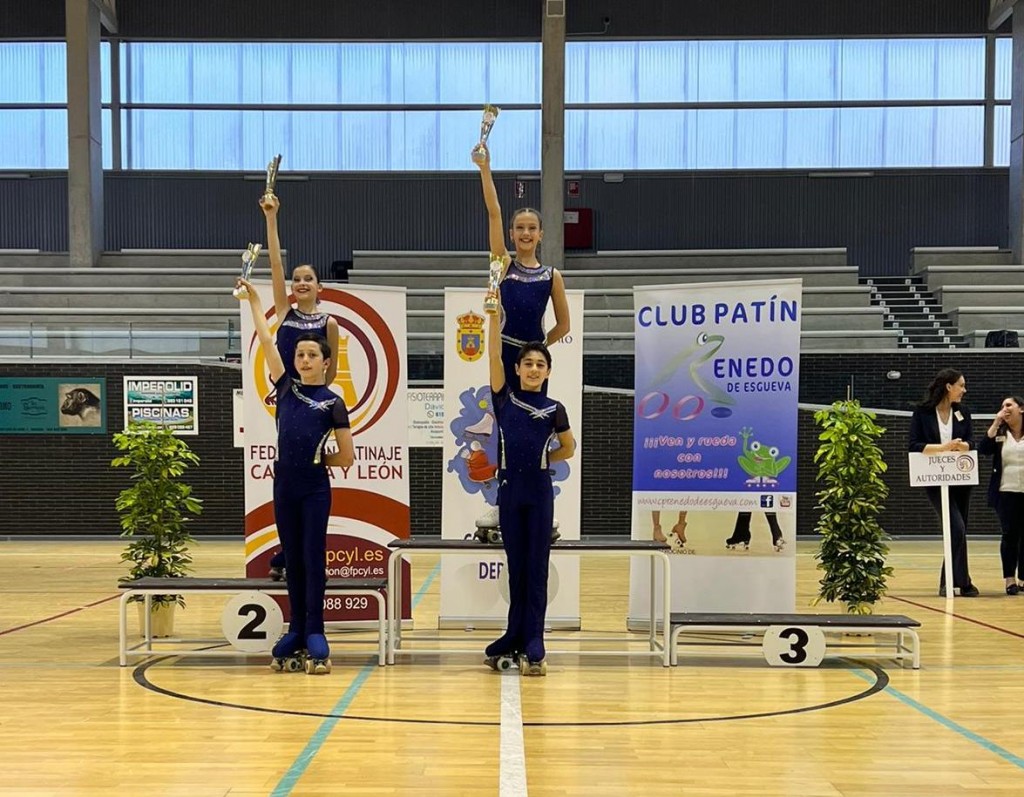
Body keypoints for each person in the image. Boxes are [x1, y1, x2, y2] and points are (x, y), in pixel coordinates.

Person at [236, 276, 354, 674]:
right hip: (283, 486)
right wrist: (255, 300)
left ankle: (316, 630)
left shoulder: (334, 402)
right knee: (292, 561)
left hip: (314, 489)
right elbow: (268, 341)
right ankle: (297, 628)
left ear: (325, 362)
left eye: (310, 356)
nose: (303, 360)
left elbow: (347, 457)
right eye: (300, 355)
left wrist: (323, 457)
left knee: (311, 557)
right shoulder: (285, 387)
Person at [472, 143, 571, 532]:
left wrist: (539, 349)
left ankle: (542, 502)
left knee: (535, 430)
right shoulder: (503, 265)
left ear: (541, 234)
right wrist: (486, 168)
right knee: (505, 429)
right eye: (520, 228)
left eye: (532, 228)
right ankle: (501, 501)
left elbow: (564, 324)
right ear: (512, 234)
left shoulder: (552, 276)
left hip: (530, 361)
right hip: (503, 357)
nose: (525, 233)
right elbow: (493, 211)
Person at [482, 294, 575, 676]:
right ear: (517, 369)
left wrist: (543, 460)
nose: (534, 369)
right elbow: (492, 356)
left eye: (540, 364)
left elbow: (568, 448)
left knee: (536, 568)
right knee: (516, 567)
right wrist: (492, 318)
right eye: (528, 364)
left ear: (547, 372)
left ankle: (534, 639)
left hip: (539, 495)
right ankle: (513, 633)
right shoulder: (504, 399)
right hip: (509, 494)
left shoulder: (555, 409)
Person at [260, 194, 341, 581]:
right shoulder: (285, 312)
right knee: (287, 468)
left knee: (307, 474)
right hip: (287, 396)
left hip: (314, 403)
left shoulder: (329, 323)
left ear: (320, 287)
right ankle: (286, 550)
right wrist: (272, 219)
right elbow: (275, 264)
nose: (301, 283)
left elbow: (332, 372)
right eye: (297, 280)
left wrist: (319, 407)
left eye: (308, 279)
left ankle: (293, 555)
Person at [908, 367, 978, 597]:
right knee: (955, 528)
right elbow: (914, 445)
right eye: (961, 385)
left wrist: (963, 446)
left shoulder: (963, 412)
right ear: (949, 387)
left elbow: (971, 441)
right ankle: (955, 581)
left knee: (960, 530)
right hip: (934, 476)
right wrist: (943, 448)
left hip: (960, 477)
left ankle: (955, 581)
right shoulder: (923, 412)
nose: (964, 390)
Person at [978, 395, 1024, 595]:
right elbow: (983, 449)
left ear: (1021, 409)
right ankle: (1009, 579)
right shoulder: (1000, 434)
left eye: (1009, 405)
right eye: (1002, 406)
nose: (1005, 409)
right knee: (1010, 535)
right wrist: (996, 422)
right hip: (1006, 492)